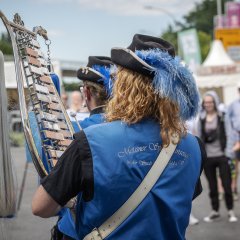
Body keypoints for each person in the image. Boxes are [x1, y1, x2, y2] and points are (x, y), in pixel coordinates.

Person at [32, 34, 204, 240]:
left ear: (124, 87)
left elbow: (41, 207)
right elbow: (181, 197)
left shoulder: (90, 140)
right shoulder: (194, 146)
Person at [53, 56, 114, 240]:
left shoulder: (74, 130)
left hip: (79, 229)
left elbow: (51, 185)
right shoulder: (135, 128)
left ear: (86, 92)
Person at [199, 91, 237, 223]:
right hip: (208, 158)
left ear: (215, 102)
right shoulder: (201, 118)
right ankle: (215, 211)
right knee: (212, 186)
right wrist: (201, 155)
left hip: (222, 156)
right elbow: (199, 137)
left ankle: (230, 210)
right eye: (206, 102)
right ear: (203, 104)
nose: (208, 104)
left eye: (210, 102)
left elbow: (230, 134)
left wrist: (228, 152)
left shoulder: (222, 116)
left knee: (227, 185)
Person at [226, 85, 240, 201]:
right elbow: (227, 120)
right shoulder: (233, 105)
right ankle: (234, 188)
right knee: (235, 168)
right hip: (236, 139)